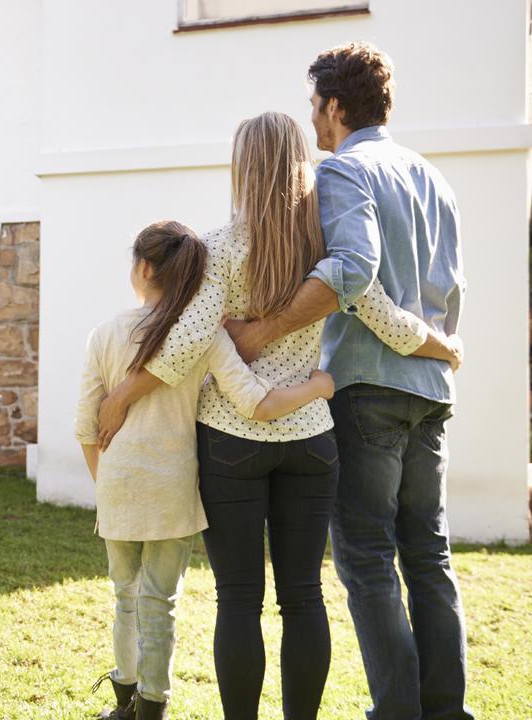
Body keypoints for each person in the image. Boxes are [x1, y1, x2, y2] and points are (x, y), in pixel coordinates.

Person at [91, 111, 456, 719]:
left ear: (243, 169)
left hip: (232, 443)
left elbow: (185, 344)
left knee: (239, 600)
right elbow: (388, 320)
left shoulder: (220, 247)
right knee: (305, 598)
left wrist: (122, 394)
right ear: (299, 167)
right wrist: (445, 347)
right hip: (312, 441)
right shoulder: (326, 252)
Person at [226, 43, 470, 720]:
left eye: (314, 105)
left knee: (366, 556)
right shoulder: (434, 179)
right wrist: (442, 349)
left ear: (335, 106)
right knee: (428, 554)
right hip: (431, 389)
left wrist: (264, 330)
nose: (311, 118)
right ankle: (446, 711)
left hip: (366, 387)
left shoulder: (341, 172)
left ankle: (396, 712)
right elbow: (450, 294)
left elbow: (354, 275)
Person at [74, 220, 337, 720]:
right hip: (175, 490)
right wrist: (318, 388)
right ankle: (153, 704)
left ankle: (124, 697)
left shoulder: (104, 334)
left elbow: (87, 426)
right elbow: (256, 402)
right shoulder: (205, 338)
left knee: (125, 596)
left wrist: (106, 484)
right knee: (160, 600)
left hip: (119, 487)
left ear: (144, 268)